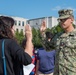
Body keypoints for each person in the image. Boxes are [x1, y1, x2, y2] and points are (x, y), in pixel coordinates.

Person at [40, 9, 76, 75]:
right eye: (60, 20)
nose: (62, 22)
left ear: (72, 19)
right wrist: (42, 33)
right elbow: (48, 47)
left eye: (64, 19)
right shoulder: (58, 36)